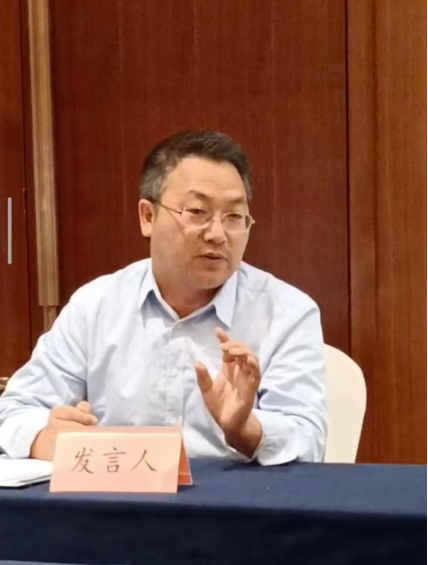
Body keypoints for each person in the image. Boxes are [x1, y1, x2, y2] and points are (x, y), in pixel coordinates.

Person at [0, 131, 327, 465]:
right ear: (148, 217)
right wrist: (42, 437)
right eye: (197, 211)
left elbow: (309, 441)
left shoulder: (287, 313)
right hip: (118, 494)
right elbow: (14, 410)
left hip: (239, 498)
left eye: (233, 217)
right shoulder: (95, 307)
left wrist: (245, 429)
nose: (217, 234)